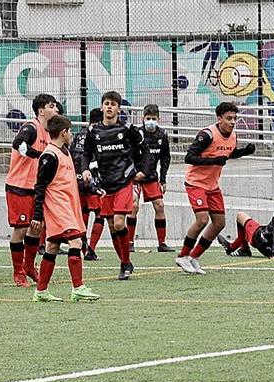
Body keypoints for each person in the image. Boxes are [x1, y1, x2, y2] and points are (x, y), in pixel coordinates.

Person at [175, 101, 255, 275]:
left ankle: (194, 257)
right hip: (195, 182)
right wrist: (213, 161)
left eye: (235, 118)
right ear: (219, 118)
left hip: (213, 185)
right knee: (202, 219)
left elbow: (228, 153)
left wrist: (244, 152)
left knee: (219, 223)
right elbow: (189, 157)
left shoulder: (233, 135)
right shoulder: (207, 135)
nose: (233, 122)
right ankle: (182, 256)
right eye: (229, 118)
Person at [31, 115, 100, 302]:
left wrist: (91, 187)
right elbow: (40, 186)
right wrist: (37, 215)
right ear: (63, 132)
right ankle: (78, 287)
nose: (71, 135)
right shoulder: (49, 155)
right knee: (76, 243)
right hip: (57, 208)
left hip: (69, 207)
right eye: (69, 131)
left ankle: (41, 291)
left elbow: (68, 179)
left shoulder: (65, 152)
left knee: (52, 246)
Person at [82, 91, 142, 280]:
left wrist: (140, 169)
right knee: (111, 225)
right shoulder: (94, 132)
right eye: (106, 103)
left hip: (123, 182)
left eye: (113, 104)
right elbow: (85, 153)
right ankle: (125, 262)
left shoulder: (126, 130)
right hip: (105, 184)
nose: (109, 107)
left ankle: (124, 264)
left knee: (118, 222)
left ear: (118, 108)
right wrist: (85, 169)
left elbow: (141, 148)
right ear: (102, 107)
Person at [5, 94, 58, 287]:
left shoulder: (49, 133)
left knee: (37, 228)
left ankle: (29, 266)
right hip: (19, 186)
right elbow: (18, 144)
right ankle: (18, 272)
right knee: (20, 228)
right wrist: (37, 154)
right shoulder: (30, 127)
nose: (56, 110)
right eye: (52, 106)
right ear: (41, 110)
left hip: (37, 188)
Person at [128, 104, 174, 253]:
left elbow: (165, 158)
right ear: (143, 118)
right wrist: (132, 173)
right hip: (135, 176)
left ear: (158, 119)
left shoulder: (162, 135)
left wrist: (163, 179)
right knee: (133, 205)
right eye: (148, 118)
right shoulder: (137, 134)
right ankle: (129, 242)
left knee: (160, 205)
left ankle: (162, 243)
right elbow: (128, 155)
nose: (150, 121)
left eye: (153, 119)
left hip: (151, 176)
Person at [71, 108, 103, 261]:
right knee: (99, 214)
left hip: (77, 179)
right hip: (93, 180)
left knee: (83, 212)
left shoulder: (78, 135)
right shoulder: (98, 135)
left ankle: (82, 246)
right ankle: (91, 249)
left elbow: (71, 154)